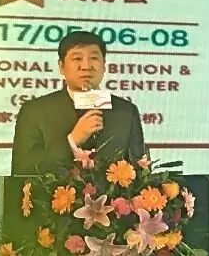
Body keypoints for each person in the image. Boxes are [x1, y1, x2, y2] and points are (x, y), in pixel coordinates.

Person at [10, 30, 147, 176]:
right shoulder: (34, 111)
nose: (86, 66)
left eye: (94, 58)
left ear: (104, 65)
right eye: (77, 59)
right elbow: (22, 171)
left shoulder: (126, 112)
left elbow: (140, 173)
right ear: (61, 67)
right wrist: (72, 142)